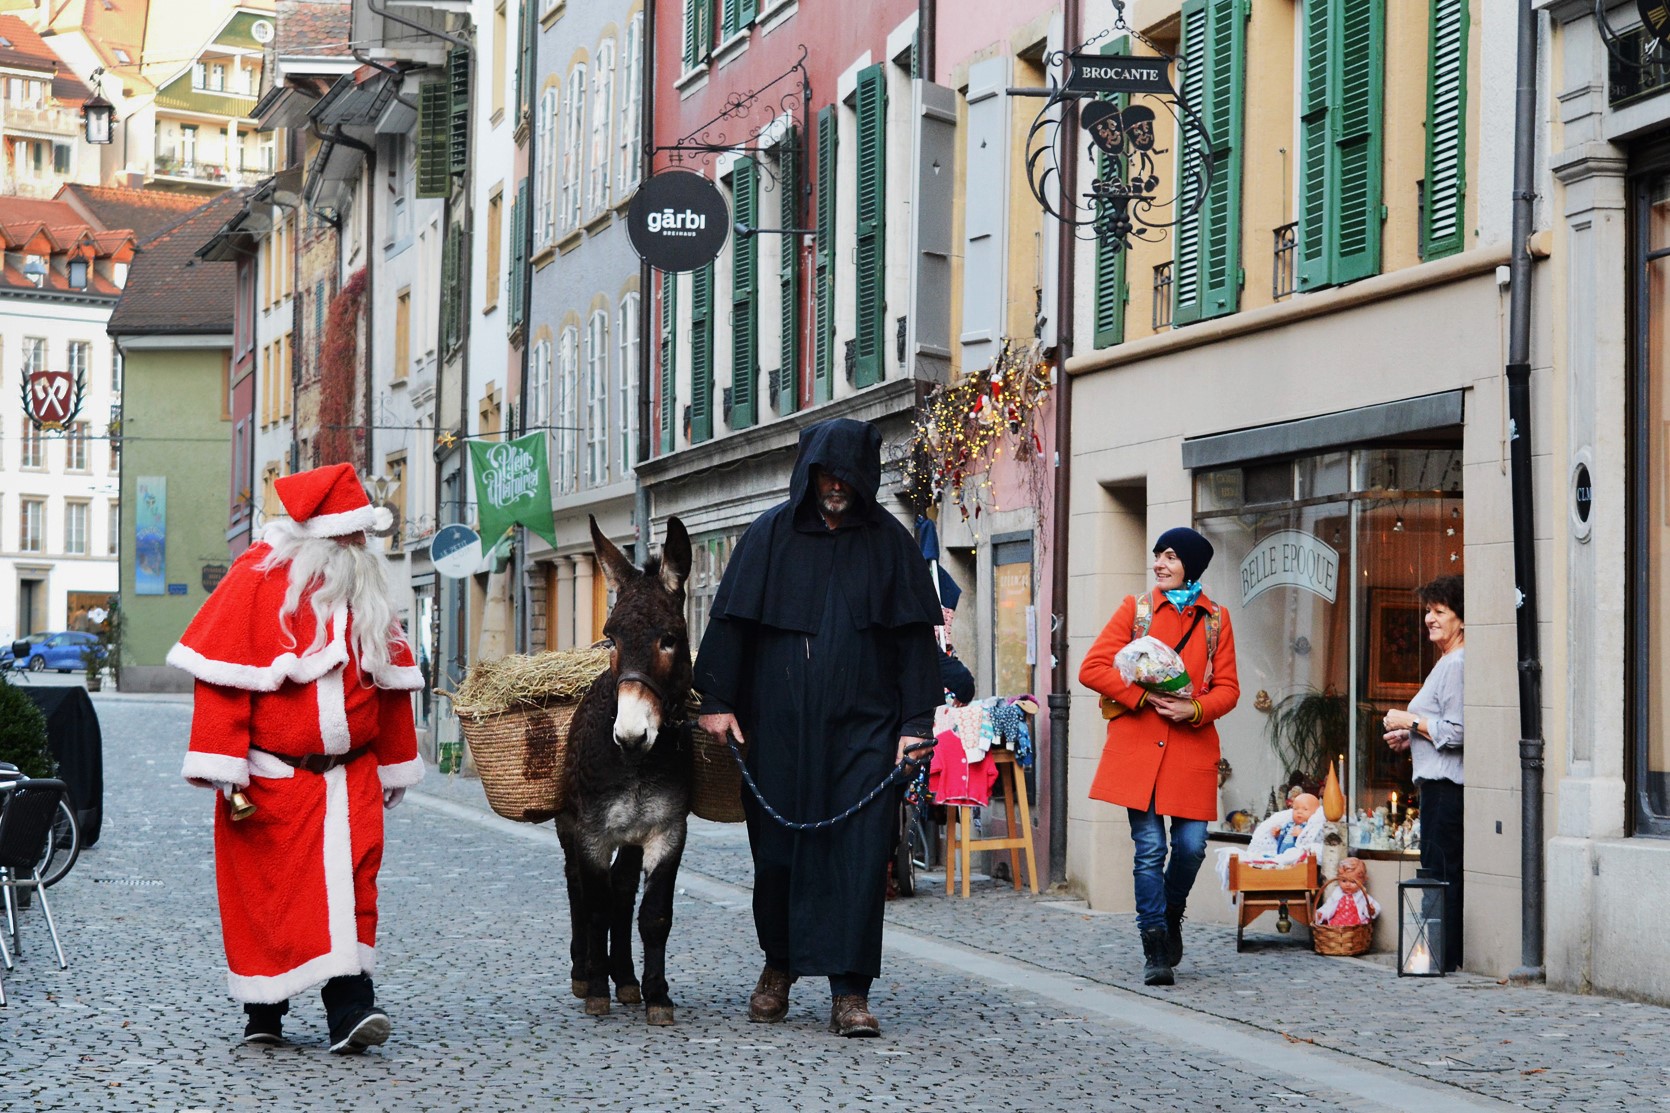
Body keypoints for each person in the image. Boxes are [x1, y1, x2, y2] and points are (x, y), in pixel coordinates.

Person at [694, 419, 943, 1038]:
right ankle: (778, 966)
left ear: (864, 480)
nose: (835, 486)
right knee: (777, 855)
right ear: (807, 475)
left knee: (859, 861)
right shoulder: (767, 537)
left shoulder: (891, 544)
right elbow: (730, 628)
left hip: (863, 733)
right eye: (825, 476)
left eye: (846, 477)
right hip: (775, 731)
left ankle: (850, 993)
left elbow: (917, 646)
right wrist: (717, 701)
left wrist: (916, 724)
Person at [167, 462, 426, 1051]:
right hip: (272, 779)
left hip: (351, 776)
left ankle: (351, 1010)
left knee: (355, 890)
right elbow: (222, 680)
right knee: (269, 902)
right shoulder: (257, 582)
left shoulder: (367, 596)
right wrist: (225, 770)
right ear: (322, 539)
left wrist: (395, 762)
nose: (361, 547)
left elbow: (389, 687)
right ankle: (264, 1014)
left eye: (363, 538)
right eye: (351, 537)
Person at [1079, 527, 1239, 986]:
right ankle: (1154, 945)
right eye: (1157, 556)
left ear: (1192, 563)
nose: (1159, 564)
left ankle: (1172, 913)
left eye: (1169, 556)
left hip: (1191, 748)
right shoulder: (1137, 609)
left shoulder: (1216, 620)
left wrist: (1194, 708)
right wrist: (1145, 699)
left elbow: (1229, 689)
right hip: (1140, 751)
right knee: (1149, 849)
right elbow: (1092, 667)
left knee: (1190, 848)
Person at [1381, 573, 1464, 971]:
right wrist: (1410, 737)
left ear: (1461, 619)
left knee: (1441, 870)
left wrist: (1409, 720)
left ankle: (1439, 955)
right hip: (1439, 783)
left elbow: (1459, 731)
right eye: (1428, 611)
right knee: (1440, 867)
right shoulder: (1447, 662)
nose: (1429, 618)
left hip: (1446, 788)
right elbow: (1441, 730)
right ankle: (1437, 953)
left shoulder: (1457, 664)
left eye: (1439, 611)